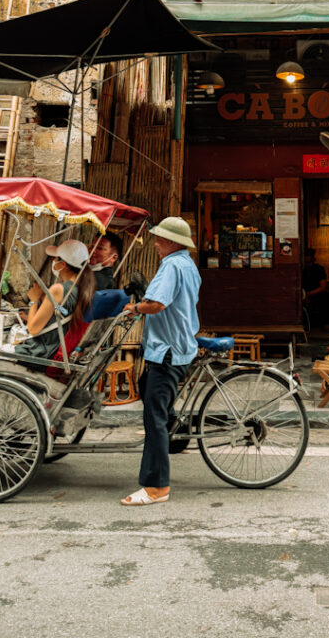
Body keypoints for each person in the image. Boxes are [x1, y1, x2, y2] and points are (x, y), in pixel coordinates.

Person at [0, 239, 94, 400]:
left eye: (56, 259)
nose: (53, 262)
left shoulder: (58, 290)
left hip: (36, 352)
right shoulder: (81, 289)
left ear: (63, 264)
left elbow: (34, 329)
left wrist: (34, 300)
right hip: (47, 349)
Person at [120, 217, 200, 507]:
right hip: (178, 345)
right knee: (148, 390)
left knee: (153, 418)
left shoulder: (172, 266)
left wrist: (134, 308)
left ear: (173, 242)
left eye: (160, 239)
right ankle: (172, 432)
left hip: (167, 349)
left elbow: (157, 304)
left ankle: (156, 487)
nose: (155, 244)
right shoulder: (188, 265)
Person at [302, 247, 329, 330]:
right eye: (306, 262)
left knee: (324, 298)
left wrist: (309, 294)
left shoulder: (319, 269)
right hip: (304, 294)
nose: (308, 264)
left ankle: (325, 323)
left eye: (309, 262)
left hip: (317, 293)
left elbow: (323, 286)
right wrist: (304, 296)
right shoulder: (302, 270)